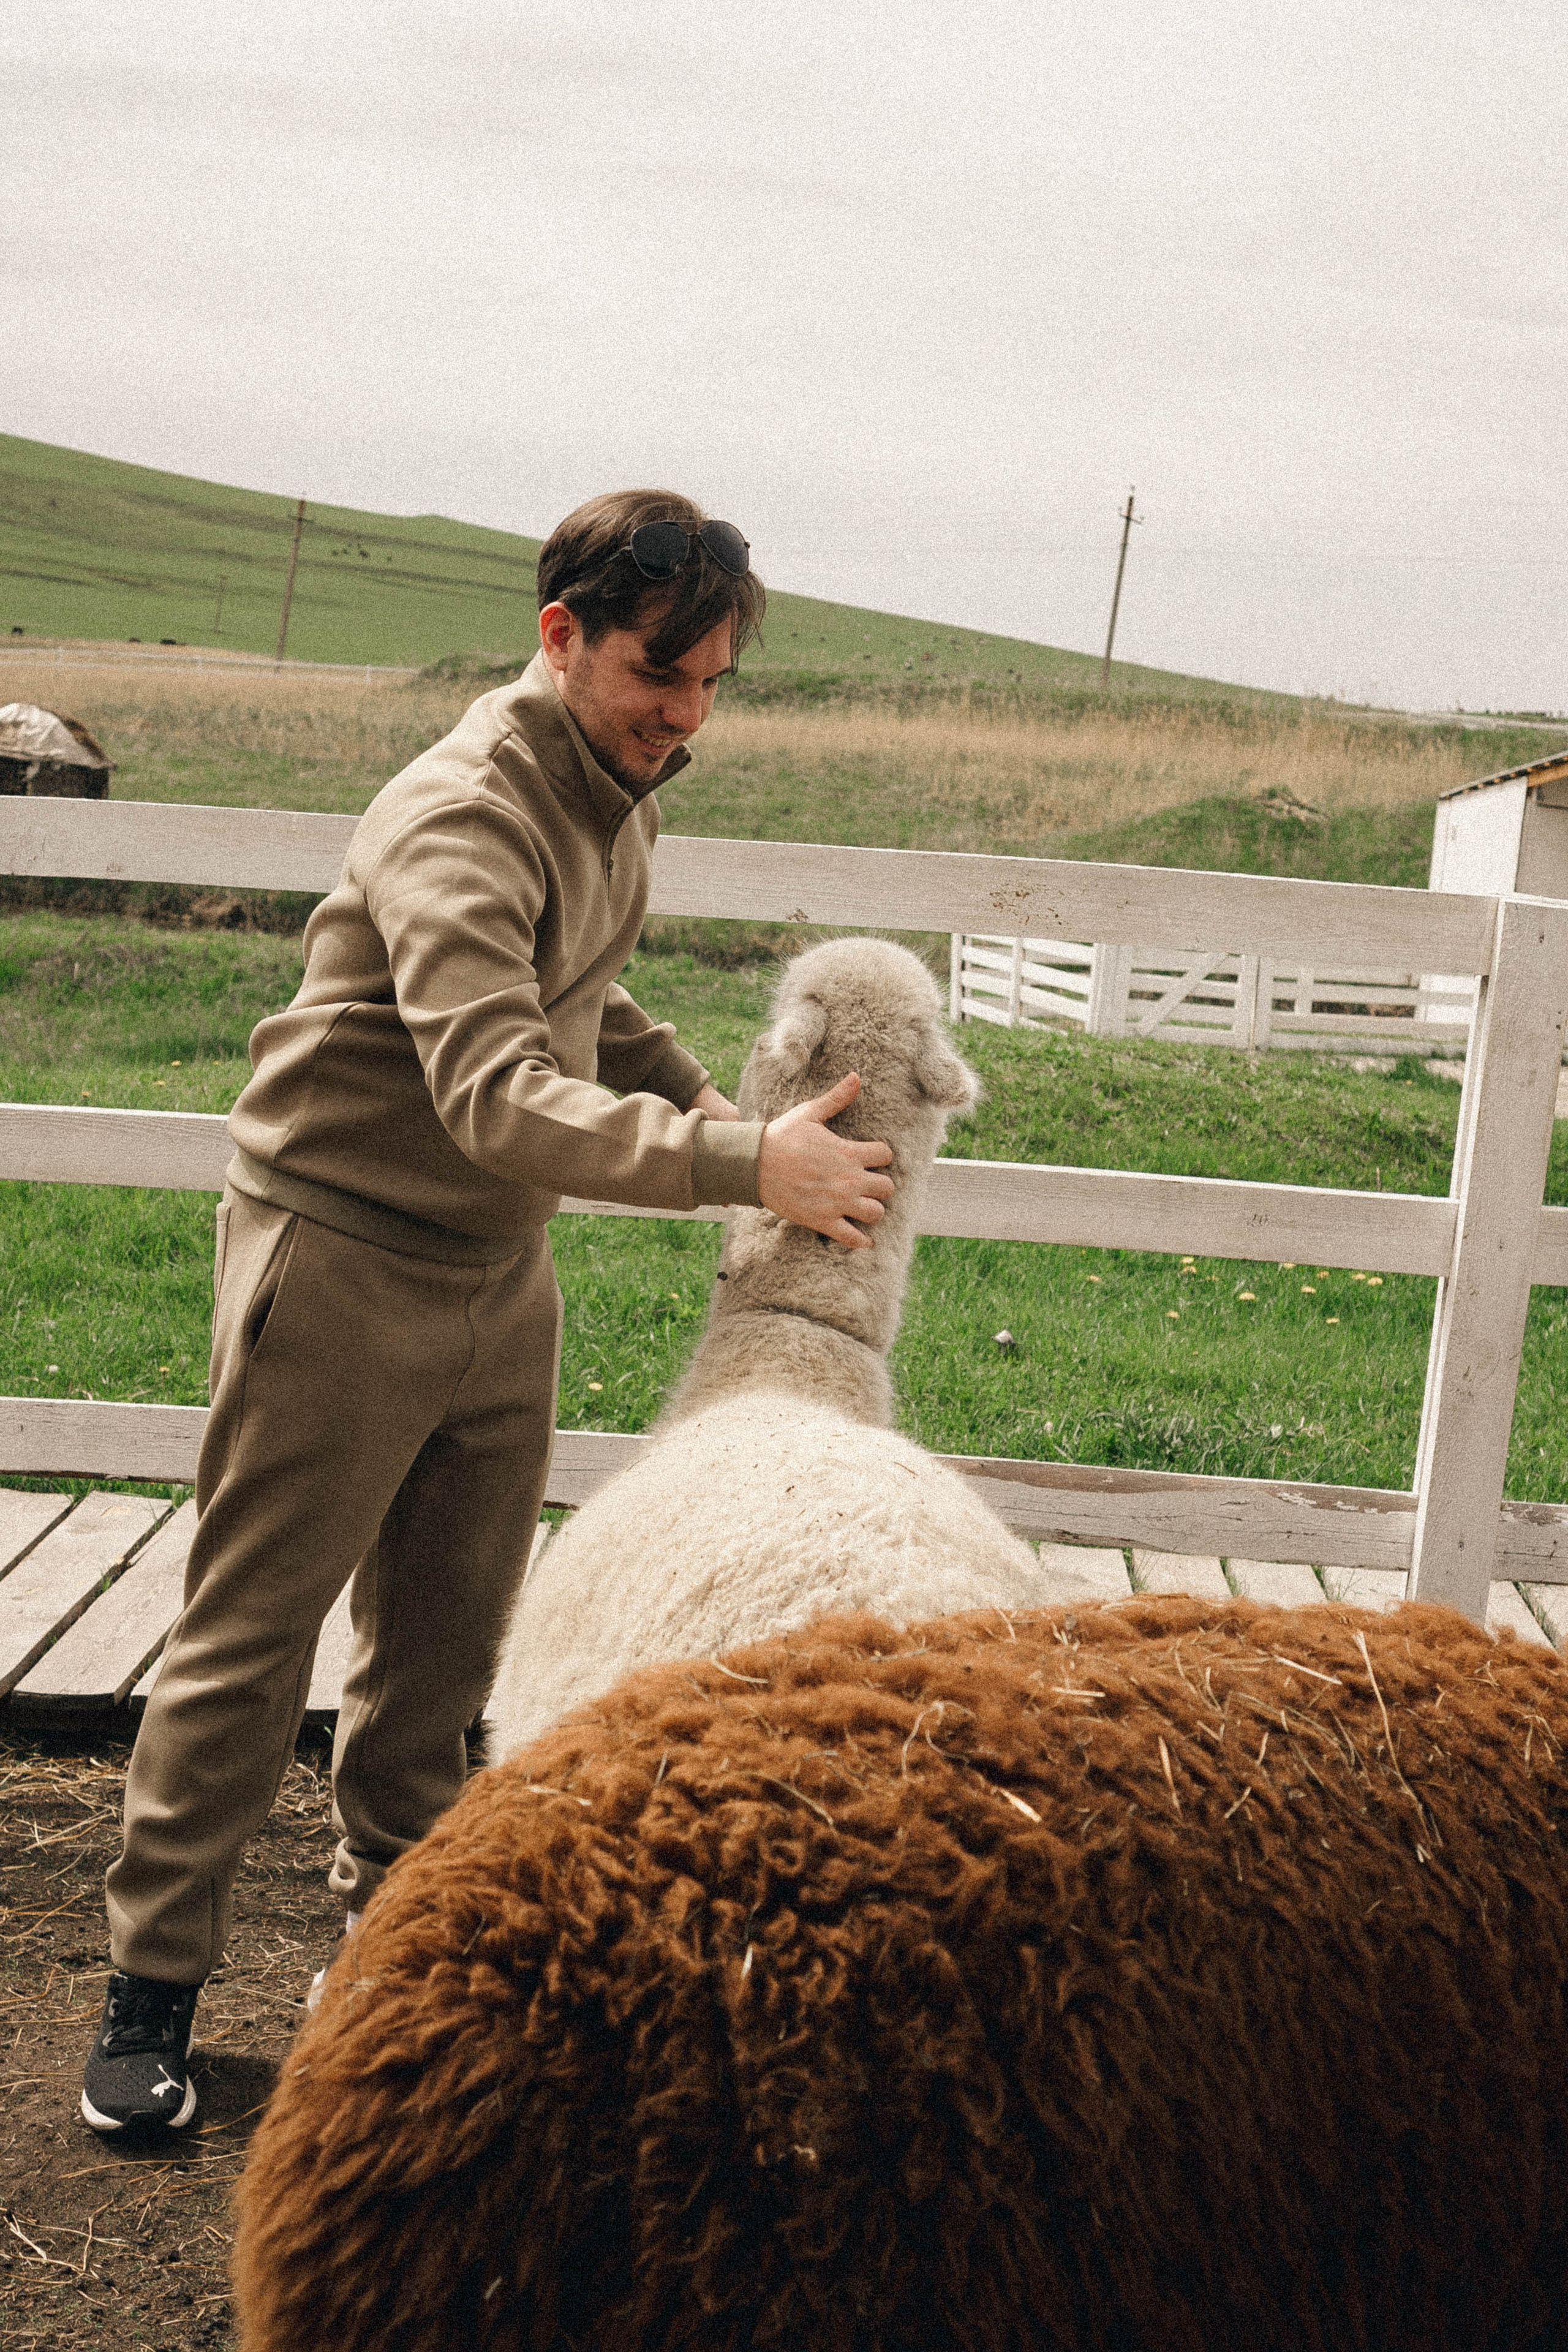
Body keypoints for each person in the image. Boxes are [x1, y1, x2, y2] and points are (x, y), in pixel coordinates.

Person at [80, 490, 895, 2133]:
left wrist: (724, 1093)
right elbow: (495, 1088)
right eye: (662, 670)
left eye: (714, 680)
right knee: (250, 1642)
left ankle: (398, 1958)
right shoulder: (462, 812)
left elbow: (581, 996)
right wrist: (745, 1164)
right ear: (562, 634)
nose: (688, 710)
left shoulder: (621, 786)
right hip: (347, 1260)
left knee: (451, 1653)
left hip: (495, 1275)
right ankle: (149, 1991)